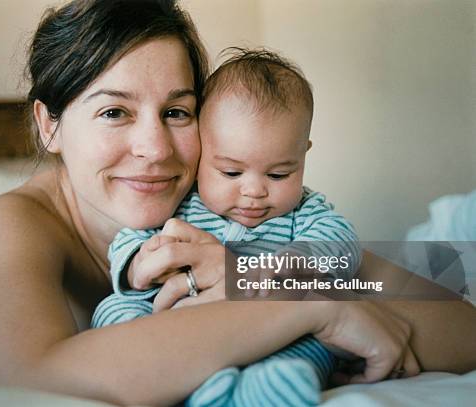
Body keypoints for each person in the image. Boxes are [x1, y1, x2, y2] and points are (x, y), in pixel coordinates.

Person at [0, 1, 476, 406]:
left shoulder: (221, 201)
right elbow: (22, 380)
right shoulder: (25, 217)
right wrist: (309, 307)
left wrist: (252, 274)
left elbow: (460, 325)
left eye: (176, 111)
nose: (156, 150)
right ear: (50, 125)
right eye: (114, 111)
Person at [92, 48, 361, 407]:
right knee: (114, 309)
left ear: (303, 154)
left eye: (280, 173)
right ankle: (159, 381)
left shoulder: (305, 211)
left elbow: (341, 241)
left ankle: (260, 390)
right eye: (231, 172)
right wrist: (136, 266)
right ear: (203, 151)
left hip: (268, 334)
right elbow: (132, 238)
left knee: (315, 343)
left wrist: (283, 268)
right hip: (176, 334)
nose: (254, 191)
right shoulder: (183, 205)